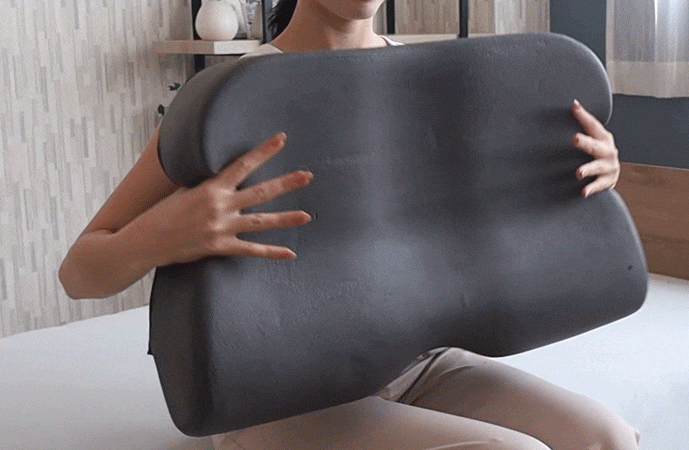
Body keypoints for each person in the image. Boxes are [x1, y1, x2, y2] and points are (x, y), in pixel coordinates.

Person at [59, 0, 639, 448]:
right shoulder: (234, 100)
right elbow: (79, 271)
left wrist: (588, 173)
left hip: (417, 362)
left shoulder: (426, 77)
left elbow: (487, 213)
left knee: (606, 438)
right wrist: (163, 234)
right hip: (276, 395)